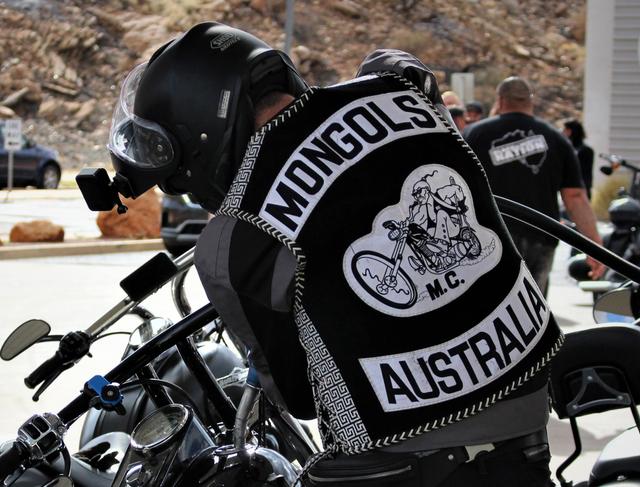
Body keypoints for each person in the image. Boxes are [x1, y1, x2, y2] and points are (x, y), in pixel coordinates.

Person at [105, 26, 563, 486]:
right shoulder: (405, 88)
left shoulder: (237, 238)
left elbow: (298, 397)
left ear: (201, 130)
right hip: (529, 417)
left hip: (406, 462)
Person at [464, 77, 604, 295]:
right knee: (534, 304)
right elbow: (575, 196)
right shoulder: (555, 138)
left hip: (492, 237)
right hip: (542, 235)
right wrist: (594, 246)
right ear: (531, 101)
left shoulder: (475, 134)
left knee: (491, 302)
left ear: (500, 100)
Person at [562, 119, 594, 199]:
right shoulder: (567, 149)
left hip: (578, 193)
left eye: (565, 130)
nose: (563, 133)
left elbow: (583, 174)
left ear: (570, 131)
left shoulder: (585, 151)